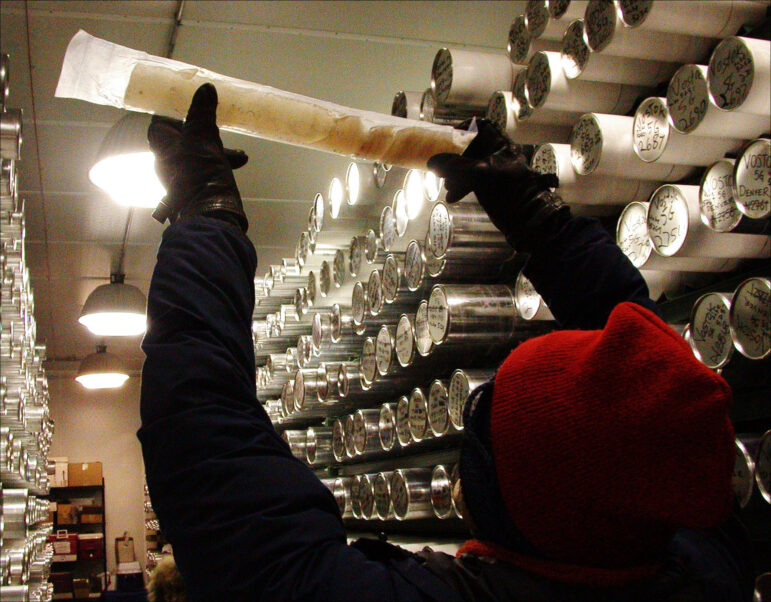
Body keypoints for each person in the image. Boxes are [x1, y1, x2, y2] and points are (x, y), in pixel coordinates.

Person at [138, 83, 754, 602]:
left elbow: (211, 453)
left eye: (486, 428)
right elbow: (649, 379)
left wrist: (207, 223)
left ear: (522, 498)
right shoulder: (699, 558)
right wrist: (539, 220)